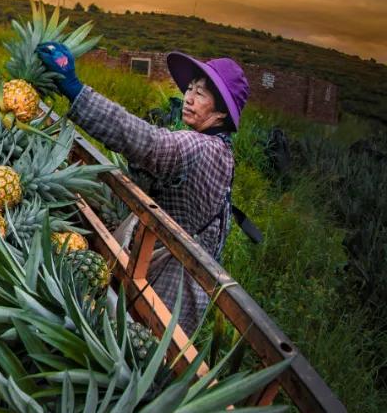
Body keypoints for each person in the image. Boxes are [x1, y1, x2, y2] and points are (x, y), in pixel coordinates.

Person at [38, 42, 249, 336]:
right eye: (190, 89)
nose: (188, 97)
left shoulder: (206, 149)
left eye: (200, 93)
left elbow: (150, 144)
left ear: (222, 113)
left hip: (168, 287)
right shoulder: (215, 147)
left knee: (144, 358)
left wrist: (76, 90)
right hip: (160, 267)